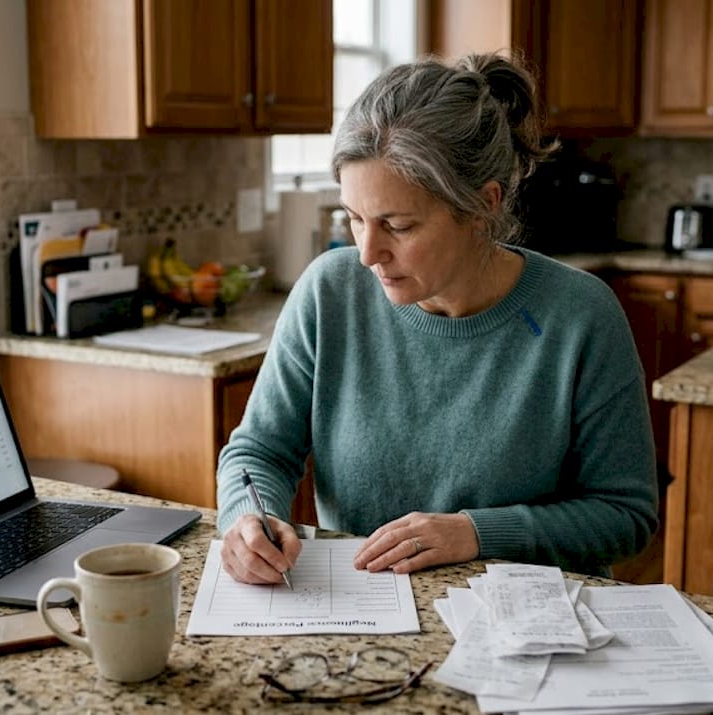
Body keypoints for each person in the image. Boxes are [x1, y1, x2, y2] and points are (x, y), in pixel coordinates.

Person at [216, 53, 658, 586]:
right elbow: (258, 450)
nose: (367, 253)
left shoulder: (581, 317)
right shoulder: (328, 292)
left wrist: (476, 533)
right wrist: (246, 516)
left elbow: (625, 516)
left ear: (482, 206)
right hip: (363, 611)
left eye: (397, 226)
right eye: (354, 219)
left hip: (531, 627)